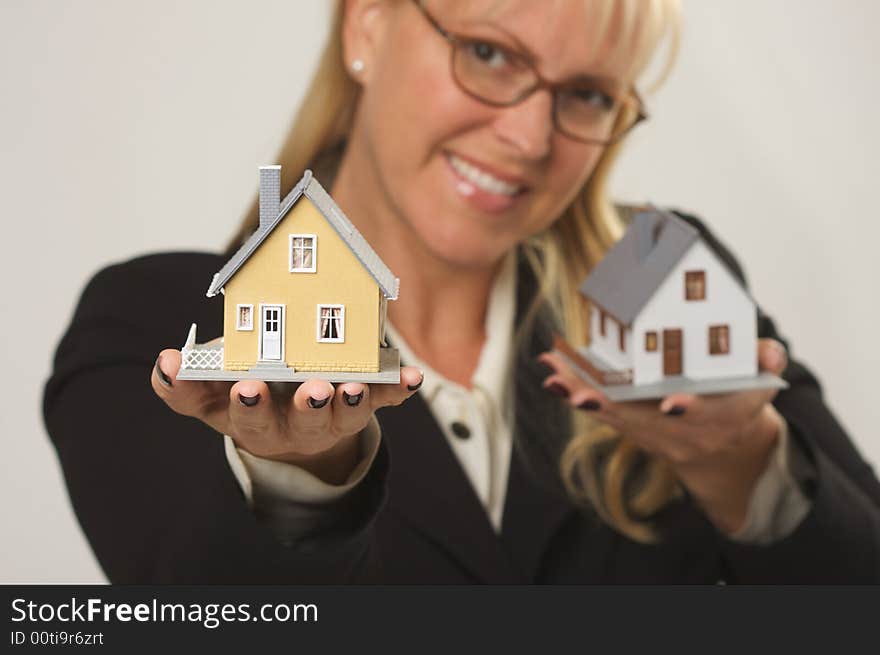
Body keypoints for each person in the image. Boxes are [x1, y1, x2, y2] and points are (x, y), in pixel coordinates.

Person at [44, 0, 880, 583]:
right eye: (488, 52)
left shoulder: (657, 274)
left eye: (587, 94)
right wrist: (302, 485)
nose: (528, 137)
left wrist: (745, 466)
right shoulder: (155, 321)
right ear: (367, 20)